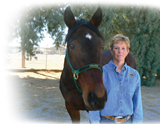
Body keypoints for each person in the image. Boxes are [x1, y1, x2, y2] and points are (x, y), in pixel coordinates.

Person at [89, 34, 143, 124]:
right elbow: (95, 102)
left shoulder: (134, 75)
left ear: (127, 51)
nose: (120, 51)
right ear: (111, 51)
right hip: (106, 121)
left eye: (123, 48)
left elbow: (137, 103)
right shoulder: (101, 73)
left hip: (128, 121)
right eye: (116, 48)